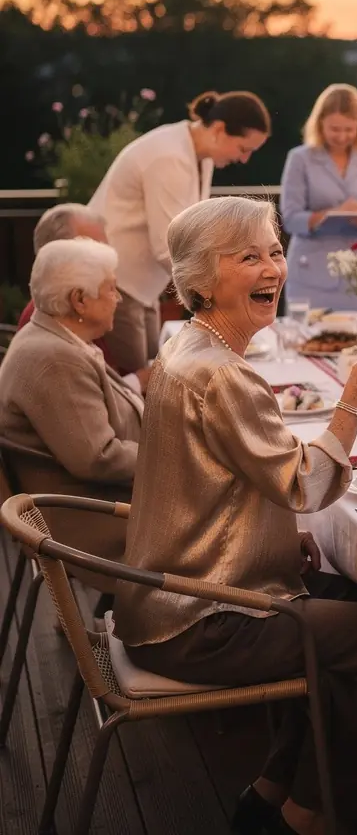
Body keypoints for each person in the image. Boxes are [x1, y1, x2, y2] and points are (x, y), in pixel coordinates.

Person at [114, 196, 357, 835]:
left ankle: (273, 789)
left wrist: (277, 535)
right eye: (247, 256)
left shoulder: (186, 349)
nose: (271, 266)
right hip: (200, 618)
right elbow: (307, 482)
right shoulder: (221, 374)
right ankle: (309, 811)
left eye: (274, 250)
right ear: (198, 281)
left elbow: (221, 484)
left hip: (172, 593)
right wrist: (356, 394)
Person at [89, 90, 271, 374]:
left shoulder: (199, 155)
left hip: (143, 286)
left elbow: (195, 231)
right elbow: (168, 246)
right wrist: (222, 290)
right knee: (142, 381)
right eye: (243, 148)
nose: (244, 159)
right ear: (220, 129)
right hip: (117, 281)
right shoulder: (169, 156)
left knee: (158, 369)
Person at [0, 238, 143, 571]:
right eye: (111, 289)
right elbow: (98, 458)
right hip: (92, 520)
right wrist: (175, 458)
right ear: (79, 300)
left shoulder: (55, 338)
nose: (118, 299)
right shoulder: (54, 359)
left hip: (96, 502)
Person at [17, 203, 150, 394]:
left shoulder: (70, 311)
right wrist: (140, 380)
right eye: (93, 250)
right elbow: (90, 398)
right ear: (58, 257)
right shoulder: (52, 330)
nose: (107, 259)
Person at [280, 84, 357, 313]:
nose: (341, 136)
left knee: (356, 342)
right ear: (320, 125)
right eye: (334, 129)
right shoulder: (300, 158)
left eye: (349, 129)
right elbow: (290, 218)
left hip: (356, 271)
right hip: (310, 269)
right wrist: (334, 213)